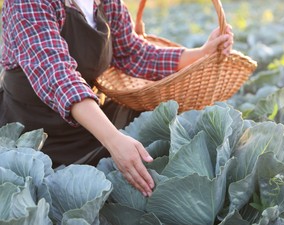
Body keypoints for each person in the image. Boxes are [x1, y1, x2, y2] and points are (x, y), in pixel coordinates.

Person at [0, 0, 233, 197]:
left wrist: (202, 54)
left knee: (166, 131)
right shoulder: (25, 3)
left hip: (94, 112)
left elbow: (132, 52)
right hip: (37, 129)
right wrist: (113, 139)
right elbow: (57, 76)